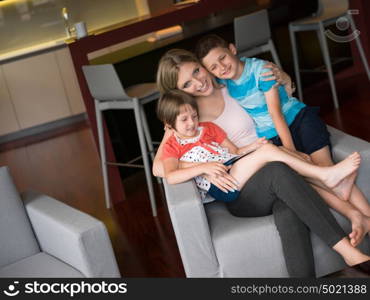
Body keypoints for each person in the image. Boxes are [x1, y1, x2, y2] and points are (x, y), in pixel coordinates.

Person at [153, 48, 370, 276]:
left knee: (288, 208)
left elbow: (279, 96)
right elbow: (160, 167)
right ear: (178, 91)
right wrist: (202, 168)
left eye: (197, 71)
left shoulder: (232, 83)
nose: (198, 82)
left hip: (269, 161)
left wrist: (285, 79)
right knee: (278, 170)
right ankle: (348, 247)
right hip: (243, 188)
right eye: (187, 84)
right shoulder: (187, 114)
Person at [194, 34, 370, 246]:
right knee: (305, 178)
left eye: (222, 58)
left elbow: (276, 114)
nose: (221, 68)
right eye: (213, 67)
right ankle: (358, 216)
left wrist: (291, 151)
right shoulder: (222, 81)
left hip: (299, 120)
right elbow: (190, 94)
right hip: (271, 136)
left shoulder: (262, 71)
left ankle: (367, 216)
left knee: (324, 166)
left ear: (232, 49)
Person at [158, 90, 361, 204]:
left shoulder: (208, 128)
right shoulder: (172, 145)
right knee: (271, 153)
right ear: (168, 125)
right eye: (184, 120)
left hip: (234, 165)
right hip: (225, 184)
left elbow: (235, 152)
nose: (192, 123)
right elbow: (171, 175)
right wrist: (204, 167)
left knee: (272, 149)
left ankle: (330, 183)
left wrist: (253, 146)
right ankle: (325, 175)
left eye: (194, 116)